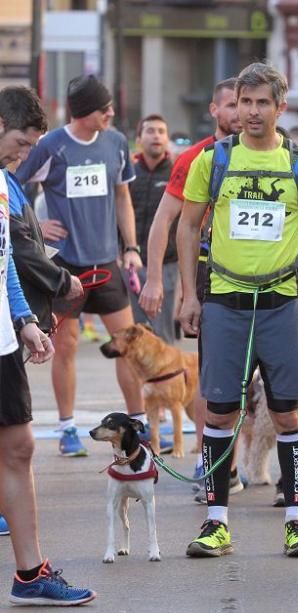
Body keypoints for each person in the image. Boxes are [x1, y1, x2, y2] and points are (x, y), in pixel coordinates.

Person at [176, 62, 298, 558]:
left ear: (279, 107)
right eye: (244, 102)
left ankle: (295, 522)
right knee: (221, 413)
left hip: (281, 303)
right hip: (225, 301)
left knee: (288, 414)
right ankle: (215, 524)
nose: (251, 112)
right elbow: (187, 228)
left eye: (261, 103)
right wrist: (189, 293)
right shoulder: (215, 159)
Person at [15, 74, 145, 458]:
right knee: (66, 346)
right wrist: (37, 225)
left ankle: (138, 421)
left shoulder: (116, 142)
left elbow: (123, 196)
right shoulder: (52, 146)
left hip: (105, 260)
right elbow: (11, 186)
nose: (112, 113)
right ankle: (68, 427)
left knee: (129, 345)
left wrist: (131, 247)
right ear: (87, 112)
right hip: (63, 264)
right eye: (105, 108)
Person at [0, 84, 95, 604]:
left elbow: (5, 260)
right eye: (19, 140)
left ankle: (30, 574)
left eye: (31, 144)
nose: (23, 153)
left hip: (3, 340)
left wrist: (23, 319)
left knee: (20, 446)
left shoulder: (3, 183)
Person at [138, 78, 241, 323]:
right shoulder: (195, 158)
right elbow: (163, 220)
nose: (240, 113)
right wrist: (154, 280)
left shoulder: (270, 156)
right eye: (232, 105)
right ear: (213, 110)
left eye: (245, 104)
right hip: (208, 271)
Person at [129, 113, 176, 343]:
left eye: (161, 131)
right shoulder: (128, 173)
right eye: (150, 131)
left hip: (168, 267)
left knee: (163, 340)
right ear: (139, 139)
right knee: (133, 340)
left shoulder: (177, 173)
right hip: (131, 266)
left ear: (167, 139)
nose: (156, 136)